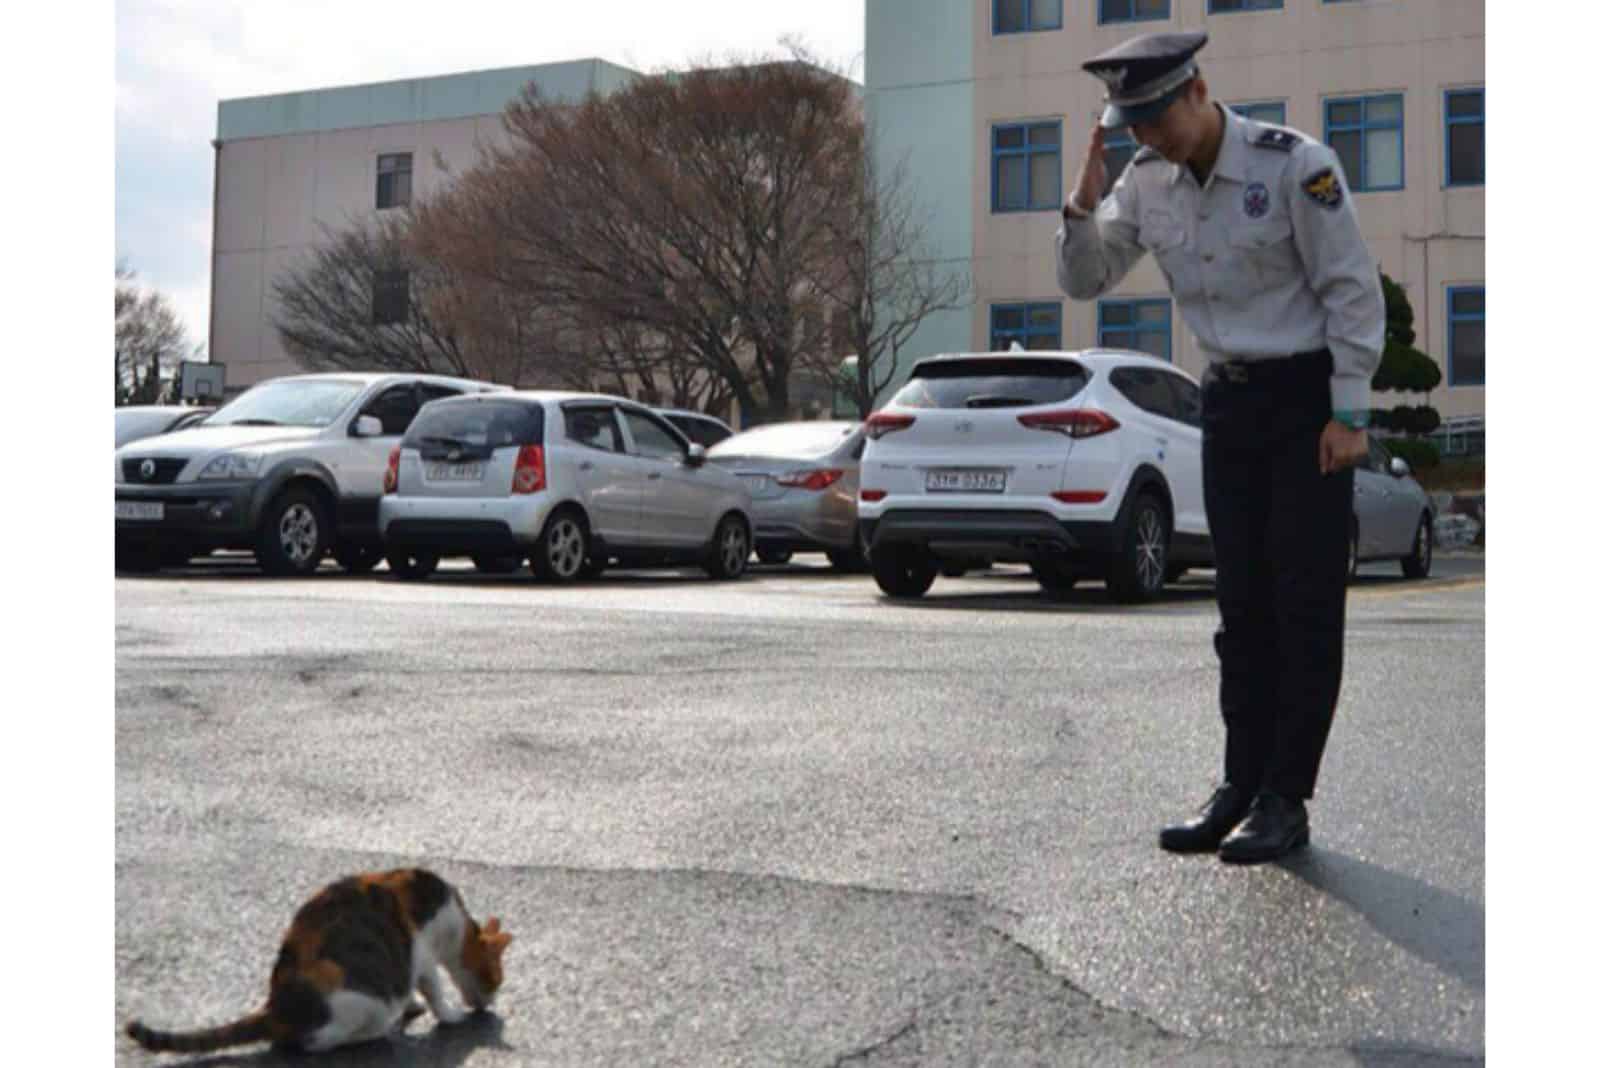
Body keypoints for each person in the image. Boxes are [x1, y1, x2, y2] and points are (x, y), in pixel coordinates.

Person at [1054, 31, 1383, 864]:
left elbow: (1351, 287)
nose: (1148, 137)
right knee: (1241, 609)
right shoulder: (1146, 182)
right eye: (1133, 126)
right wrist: (1080, 209)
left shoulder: (1292, 166)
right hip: (1228, 403)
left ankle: (1286, 795)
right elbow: (1086, 281)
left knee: (1303, 605)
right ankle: (1238, 783)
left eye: (1158, 118)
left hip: (1307, 401)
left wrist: (1348, 411)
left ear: (1198, 90)